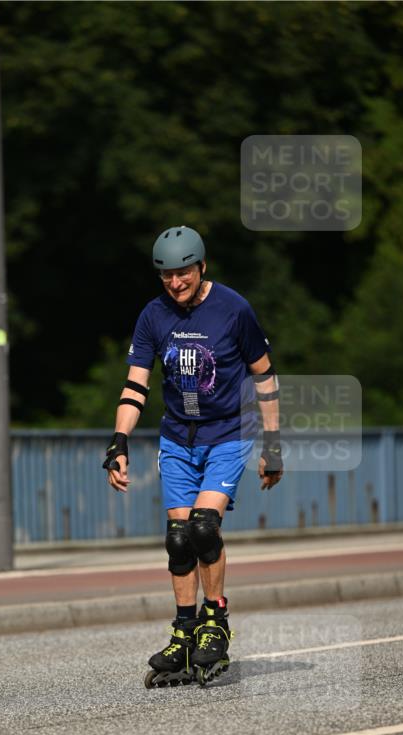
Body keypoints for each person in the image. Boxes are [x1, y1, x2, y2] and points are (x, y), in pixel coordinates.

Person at [103, 225, 282, 688]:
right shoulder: (153, 315)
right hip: (177, 439)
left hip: (227, 433)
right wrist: (119, 442)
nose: (175, 282)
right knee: (179, 539)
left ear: (202, 266)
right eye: (166, 275)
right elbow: (136, 384)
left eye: (183, 272)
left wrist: (273, 443)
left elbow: (264, 376)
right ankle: (184, 632)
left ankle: (215, 621)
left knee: (204, 527)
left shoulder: (233, 309)